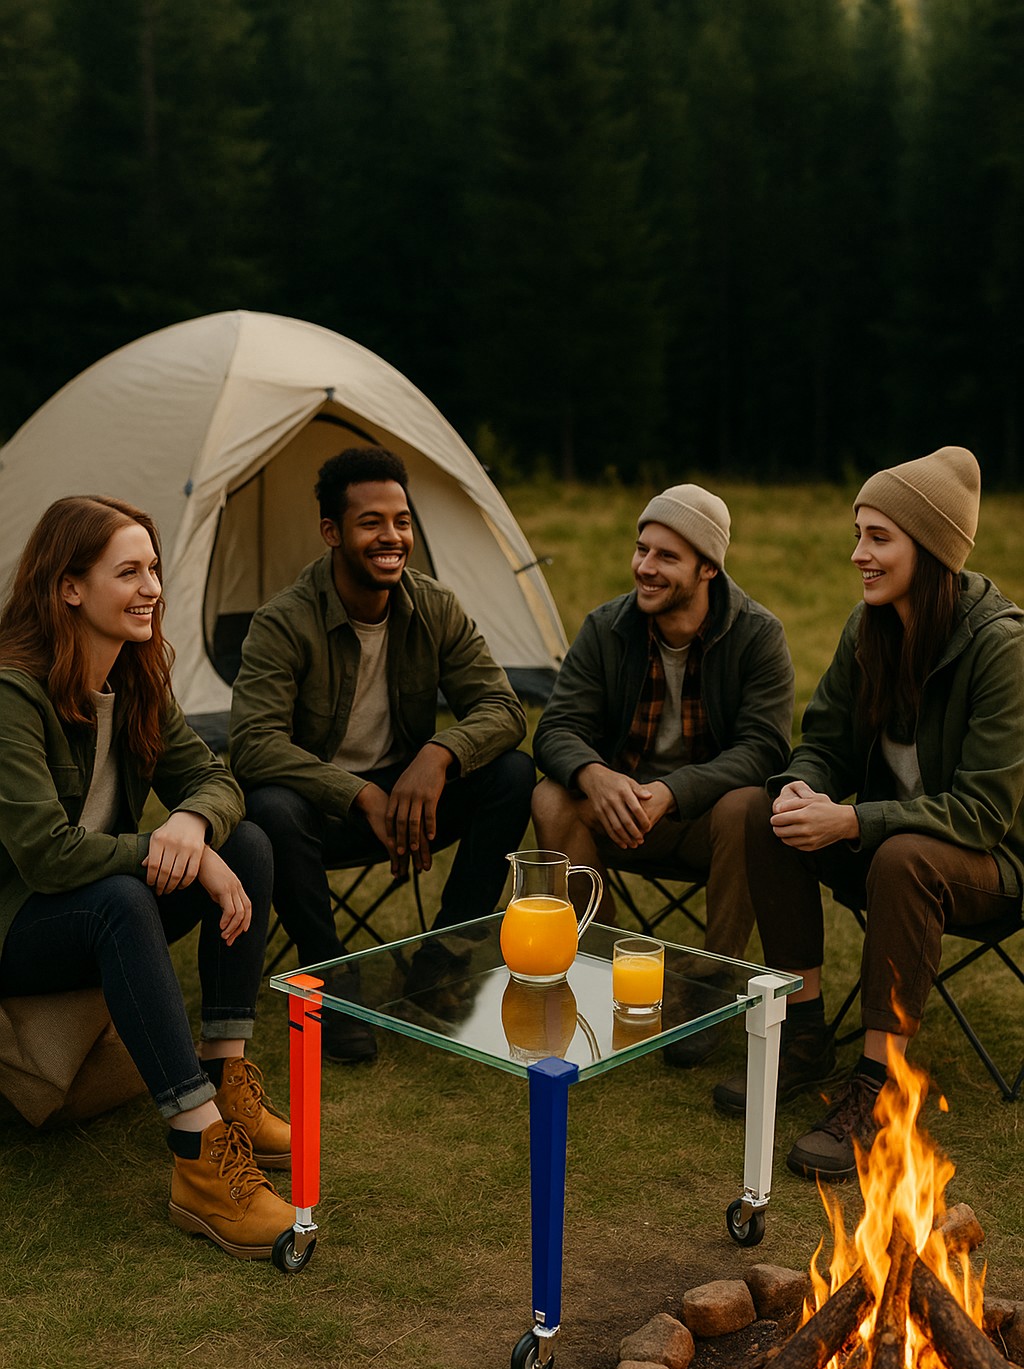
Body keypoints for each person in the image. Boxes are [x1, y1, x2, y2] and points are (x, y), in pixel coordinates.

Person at [713, 446, 1024, 1181]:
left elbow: (983, 812)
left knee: (902, 855)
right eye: (859, 534)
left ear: (932, 550)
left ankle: (881, 1088)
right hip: (891, 852)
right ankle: (804, 1031)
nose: (859, 554)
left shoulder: (1001, 648)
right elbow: (825, 744)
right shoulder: (870, 627)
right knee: (763, 810)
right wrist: (802, 789)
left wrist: (853, 822)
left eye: (879, 538)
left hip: (992, 867)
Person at [0, 496, 293, 1259]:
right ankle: (199, 1158)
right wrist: (168, 851)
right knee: (124, 898)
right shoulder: (11, 693)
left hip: (92, 903)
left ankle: (225, 1076)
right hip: (18, 923)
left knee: (248, 843)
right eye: (128, 572)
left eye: (154, 569)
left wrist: (192, 824)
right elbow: (46, 855)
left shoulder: (134, 679)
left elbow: (216, 779)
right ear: (69, 587)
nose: (152, 589)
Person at [230, 445, 534, 1063]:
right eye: (371, 523)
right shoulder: (283, 622)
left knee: (513, 774)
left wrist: (439, 753)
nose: (391, 537)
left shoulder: (434, 606)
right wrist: (358, 794)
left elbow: (504, 710)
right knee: (270, 809)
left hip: (410, 801)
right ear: (331, 533)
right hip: (322, 812)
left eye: (401, 521)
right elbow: (253, 743)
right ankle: (329, 979)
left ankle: (441, 960)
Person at [531, 483, 795, 1064]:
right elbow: (555, 729)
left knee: (750, 806)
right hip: (618, 812)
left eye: (667, 556)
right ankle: (600, 967)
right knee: (552, 797)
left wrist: (672, 792)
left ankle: (712, 987)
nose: (645, 567)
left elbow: (766, 749)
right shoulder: (607, 627)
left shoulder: (758, 634)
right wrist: (594, 776)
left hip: (704, 822)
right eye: (641, 549)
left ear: (708, 569)